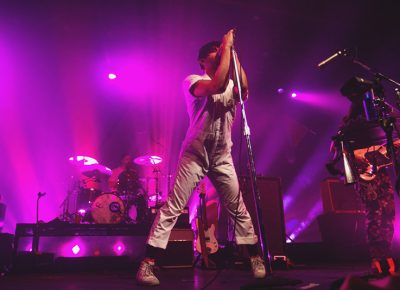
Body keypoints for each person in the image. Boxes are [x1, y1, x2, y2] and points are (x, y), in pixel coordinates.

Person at [136, 29, 266, 286]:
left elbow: (244, 88)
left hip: (222, 155)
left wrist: (233, 54)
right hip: (195, 153)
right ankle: (147, 265)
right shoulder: (192, 80)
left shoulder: (232, 84)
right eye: (214, 55)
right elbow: (215, 85)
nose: (220, 57)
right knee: (174, 206)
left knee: (238, 207)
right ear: (202, 61)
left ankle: (255, 257)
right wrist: (226, 47)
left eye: (222, 54)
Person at [330, 81, 398, 276]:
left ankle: (385, 255)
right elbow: (337, 148)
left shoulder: (380, 120)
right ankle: (378, 257)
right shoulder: (351, 123)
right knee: (375, 213)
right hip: (365, 174)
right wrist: (359, 158)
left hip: (379, 172)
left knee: (388, 212)